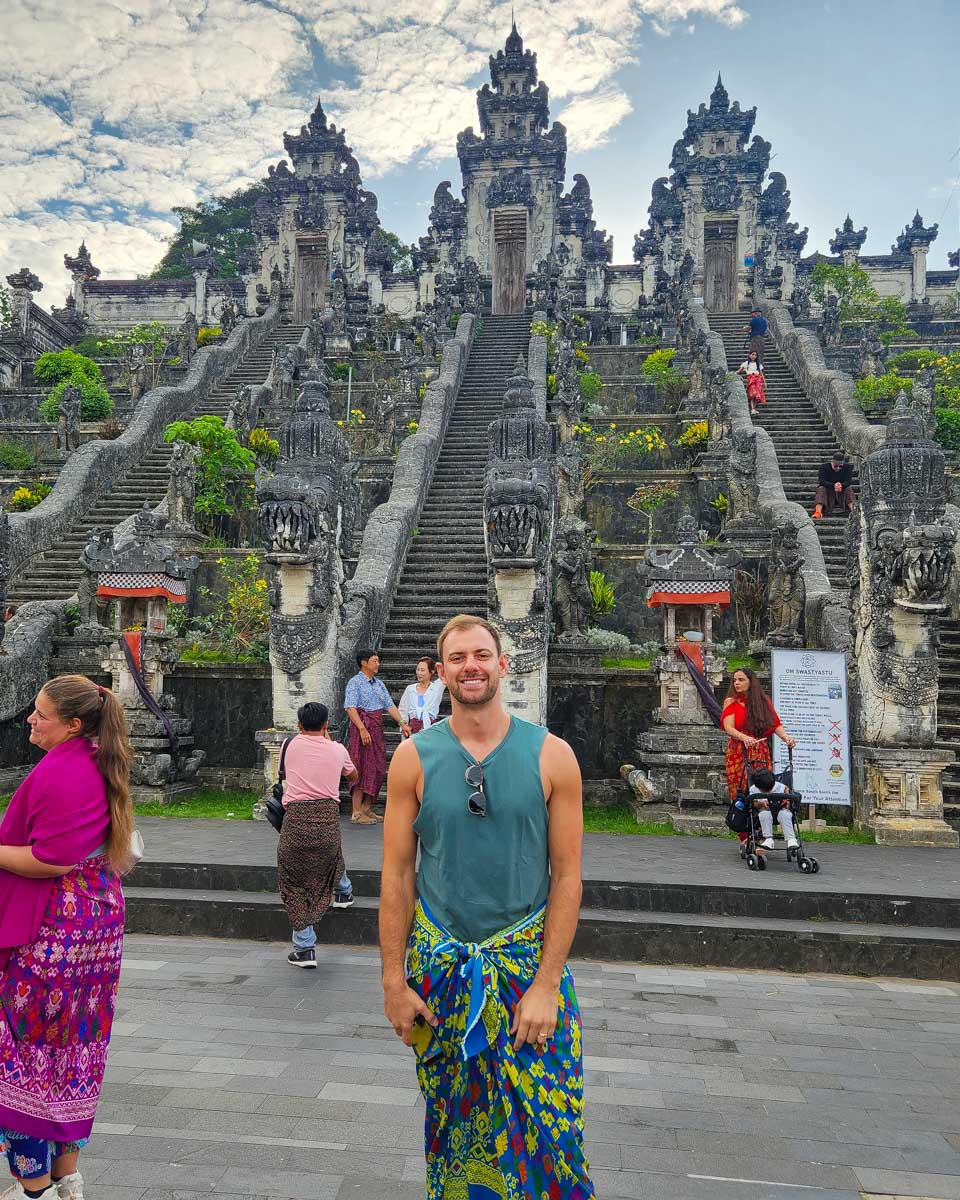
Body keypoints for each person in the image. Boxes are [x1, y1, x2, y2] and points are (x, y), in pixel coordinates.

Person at [380, 614, 596, 1200]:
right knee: (455, 1136)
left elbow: (569, 877)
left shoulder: (552, 756)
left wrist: (548, 983)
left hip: (527, 972)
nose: (470, 666)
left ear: (504, 664)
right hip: (443, 973)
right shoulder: (413, 759)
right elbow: (398, 875)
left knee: (554, 1143)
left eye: (481, 655)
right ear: (441, 672)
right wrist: (393, 983)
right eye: (458, 658)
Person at [0, 674, 134, 1200]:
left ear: (73, 725)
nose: (30, 720)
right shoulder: (98, 759)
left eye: (41, 714)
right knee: (74, 1045)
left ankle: (32, 1187)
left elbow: (49, 861)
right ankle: (66, 1179)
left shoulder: (65, 772)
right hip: (94, 924)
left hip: (56, 924)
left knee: (22, 1048)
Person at [278, 702, 359, 969]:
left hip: (296, 821)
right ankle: (344, 891)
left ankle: (305, 948)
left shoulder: (288, 745)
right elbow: (353, 775)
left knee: (294, 882)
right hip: (327, 818)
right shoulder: (337, 749)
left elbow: (286, 774)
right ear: (326, 725)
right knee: (331, 855)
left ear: (299, 725)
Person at [721, 667, 796, 854]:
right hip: (739, 751)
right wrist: (743, 737)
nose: (736, 683)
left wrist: (786, 738)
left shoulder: (762, 702)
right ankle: (745, 835)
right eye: (734, 680)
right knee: (741, 791)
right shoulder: (731, 702)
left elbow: (775, 723)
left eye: (741, 679)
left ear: (750, 681)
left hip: (760, 749)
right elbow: (728, 727)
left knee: (764, 788)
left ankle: (763, 834)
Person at [344, 650, 410, 825]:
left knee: (378, 767)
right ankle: (356, 811)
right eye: (375, 661)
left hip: (376, 728)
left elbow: (390, 705)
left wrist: (402, 723)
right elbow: (350, 708)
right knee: (361, 766)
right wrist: (362, 729)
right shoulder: (355, 682)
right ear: (364, 663)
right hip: (362, 728)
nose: (378, 664)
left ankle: (367, 807)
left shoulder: (379, 684)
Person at [749, 767, 799, 851]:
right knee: (764, 815)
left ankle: (791, 839)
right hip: (765, 810)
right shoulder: (753, 789)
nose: (768, 792)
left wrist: (786, 801)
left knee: (786, 814)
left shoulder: (780, 786)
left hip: (780, 810)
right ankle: (768, 838)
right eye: (765, 791)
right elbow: (754, 803)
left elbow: (787, 791)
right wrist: (761, 804)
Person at [397, 656, 445, 735]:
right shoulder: (410, 689)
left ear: (431, 672)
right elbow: (402, 710)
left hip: (430, 729)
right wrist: (403, 725)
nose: (419, 673)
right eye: (418, 669)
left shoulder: (437, 687)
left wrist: (439, 666)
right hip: (413, 729)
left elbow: (447, 674)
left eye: (422, 670)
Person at [814, 452, 854, 518]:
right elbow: (822, 481)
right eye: (835, 466)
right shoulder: (824, 467)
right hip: (828, 490)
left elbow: (848, 481)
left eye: (840, 466)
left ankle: (853, 511)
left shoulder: (847, 467)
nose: (838, 468)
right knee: (821, 489)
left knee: (848, 488)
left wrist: (841, 485)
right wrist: (833, 485)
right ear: (832, 462)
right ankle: (818, 512)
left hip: (842, 490)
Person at [736, 349, 766, 415]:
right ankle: (752, 409)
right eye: (752, 354)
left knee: (756, 396)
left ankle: (753, 410)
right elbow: (739, 371)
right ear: (749, 355)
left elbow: (761, 374)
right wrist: (732, 374)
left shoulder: (758, 364)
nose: (754, 356)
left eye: (755, 355)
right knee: (752, 395)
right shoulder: (746, 363)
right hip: (751, 380)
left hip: (758, 381)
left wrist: (764, 382)